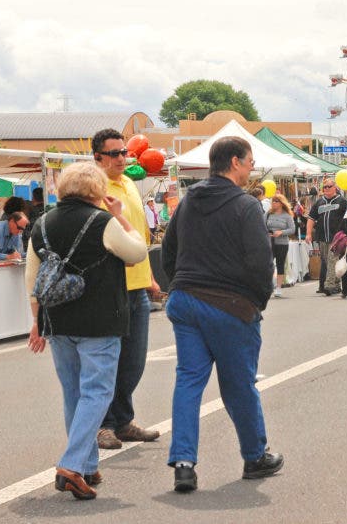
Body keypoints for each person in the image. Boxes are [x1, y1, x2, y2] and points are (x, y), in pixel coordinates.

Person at [162, 136, 283, 493]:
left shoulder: (187, 202)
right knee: (238, 384)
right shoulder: (245, 205)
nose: (251, 169)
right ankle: (254, 456)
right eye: (249, 162)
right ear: (234, 162)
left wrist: (176, 285)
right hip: (229, 304)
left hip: (185, 298)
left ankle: (183, 463)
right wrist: (257, 301)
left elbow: (168, 251)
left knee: (188, 379)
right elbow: (261, 261)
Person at [25, 161, 148, 501]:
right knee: (97, 392)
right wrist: (122, 216)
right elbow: (137, 253)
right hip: (99, 320)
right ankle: (73, 465)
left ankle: (88, 464)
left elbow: (32, 280)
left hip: (58, 320)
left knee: (74, 393)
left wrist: (37, 321)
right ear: (97, 190)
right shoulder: (103, 222)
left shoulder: (42, 224)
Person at [91, 129, 161, 450]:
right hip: (111, 287)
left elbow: (139, 236)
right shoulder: (94, 189)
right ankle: (103, 424)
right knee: (108, 361)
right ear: (98, 158)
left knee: (134, 360)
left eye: (124, 152)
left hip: (137, 285)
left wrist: (149, 277)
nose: (122, 158)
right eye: (115, 153)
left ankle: (123, 420)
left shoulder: (130, 184)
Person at [306, 177, 347, 296]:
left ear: (335, 187)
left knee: (332, 259)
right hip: (322, 237)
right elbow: (311, 219)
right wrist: (309, 233)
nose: (326, 189)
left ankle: (329, 285)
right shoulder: (319, 202)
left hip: (337, 237)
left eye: (329, 186)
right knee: (327, 260)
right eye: (324, 187)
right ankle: (336, 284)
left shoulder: (342, 201)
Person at [266, 193, 296, 296]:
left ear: (281, 203)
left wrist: (281, 232)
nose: (273, 203)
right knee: (267, 264)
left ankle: (278, 288)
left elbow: (292, 229)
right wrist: (267, 233)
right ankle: (268, 285)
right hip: (269, 242)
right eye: (273, 201)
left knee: (280, 264)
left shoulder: (287, 216)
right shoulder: (268, 214)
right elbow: (261, 224)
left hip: (282, 243)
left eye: (276, 201)